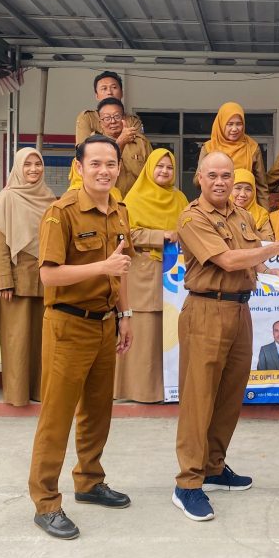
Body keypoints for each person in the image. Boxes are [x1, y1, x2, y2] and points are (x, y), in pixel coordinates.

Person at [172, 151, 279, 522]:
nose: (220, 182)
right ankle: (188, 483)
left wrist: (271, 269)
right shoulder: (192, 217)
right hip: (206, 310)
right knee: (199, 398)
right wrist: (274, 247)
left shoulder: (242, 215)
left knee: (229, 394)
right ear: (199, 177)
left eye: (226, 175)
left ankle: (213, 467)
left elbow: (253, 256)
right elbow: (227, 260)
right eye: (212, 175)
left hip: (240, 310)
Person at [28, 134, 135, 541]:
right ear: (79, 167)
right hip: (68, 326)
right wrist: (100, 267)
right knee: (56, 417)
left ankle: (89, 481)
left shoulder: (119, 211)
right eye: (96, 163)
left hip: (105, 323)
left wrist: (125, 314)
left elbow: (121, 268)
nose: (104, 171)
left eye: (111, 164)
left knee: (97, 410)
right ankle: (46, 502)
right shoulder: (61, 213)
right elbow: (48, 275)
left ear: (119, 168)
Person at [114, 148, 188, 404]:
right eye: (159, 166)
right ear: (149, 168)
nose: (164, 171)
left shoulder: (180, 198)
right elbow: (126, 234)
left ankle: (165, 389)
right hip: (145, 272)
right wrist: (160, 236)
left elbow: (189, 226)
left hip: (173, 274)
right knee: (144, 331)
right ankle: (137, 390)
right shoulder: (134, 199)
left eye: (169, 167)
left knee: (168, 331)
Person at [0, 147, 56, 406]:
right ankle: (17, 394)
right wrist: (4, 281)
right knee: (16, 340)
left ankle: (40, 391)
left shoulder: (49, 197)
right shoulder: (8, 197)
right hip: (17, 280)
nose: (33, 169)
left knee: (42, 339)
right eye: (27, 164)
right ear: (18, 167)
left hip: (45, 278)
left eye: (37, 164)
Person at [73, 97, 151, 198]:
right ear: (100, 123)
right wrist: (120, 142)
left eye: (117, 116)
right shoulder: (92, 145)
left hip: (137, 201)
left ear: (124, 118)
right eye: (107, 118)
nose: (113, 121)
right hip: (105, 200)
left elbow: (152, 173)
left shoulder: (141, 142)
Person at [199, 102, 268, 208]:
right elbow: (198, 180)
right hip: (215, 205)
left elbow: (261, 185)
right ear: (221, 124)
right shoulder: (209, 147)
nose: (235, 129)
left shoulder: (252, 147)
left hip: (244, 206)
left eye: (239, 124)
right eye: (229, 124)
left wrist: (265, 212)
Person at [74, 70, 144, 149]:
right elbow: (83, 151)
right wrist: (120, 142)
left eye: (114, 87)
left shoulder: (133, 121)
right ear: (97, 95)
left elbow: (140, 149)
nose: (109, 92)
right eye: (104, 88)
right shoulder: (87, 118)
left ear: (121, 93)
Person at [231, 168, 274, 241]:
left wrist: (251, 231)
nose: (242, 194)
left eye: (248, 189)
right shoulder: (221, 211)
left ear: (254, 192)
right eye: (238, 188)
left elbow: (270, 240)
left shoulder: (261, 214)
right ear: (229, 189)